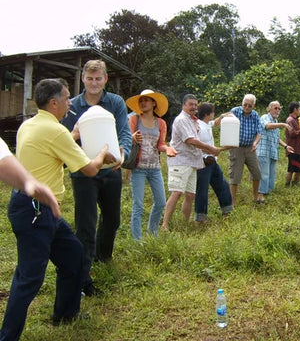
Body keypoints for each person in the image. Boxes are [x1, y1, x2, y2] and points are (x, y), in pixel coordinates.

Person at [0, 79, 111, 340]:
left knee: (72, 256)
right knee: (29, 278)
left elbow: (50, 151)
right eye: (66, 98)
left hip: (38, 208)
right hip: (35, 211)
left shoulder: (29, 125)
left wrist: (74, 138)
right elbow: (90, 168)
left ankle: (65, 314)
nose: (69, 103)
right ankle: (7, 336)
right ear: (54, 103)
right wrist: (104, 152)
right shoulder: (56, 132)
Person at [61, 59, 132, 297]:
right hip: (83, 172)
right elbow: (65, 139)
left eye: (98, 78)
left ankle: (104, 257)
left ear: (105, 79)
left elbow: (124, 131)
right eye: (89, 78)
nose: (93, 83)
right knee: (86, 224)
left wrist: (123, 153)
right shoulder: (70, 106)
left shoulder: (115, 103)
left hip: (111, 169)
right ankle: (84, 275)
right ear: (83, 79)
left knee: (112, 220)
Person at [162, 95, 221, 229]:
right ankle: (164, 225)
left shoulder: (192, 120)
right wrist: (210, 148)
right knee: (177, 192)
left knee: (190, 195)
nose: (194, 107)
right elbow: (190, 140)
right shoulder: (181, 119)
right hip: (180, 161)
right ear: (184, 105)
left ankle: (185, 223)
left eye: (195, 105)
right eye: (191, 104)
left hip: (192, 162)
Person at [125, 89, 177, 240]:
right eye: (141, 100)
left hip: (155, 168)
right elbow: (126, 139)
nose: (143, 103)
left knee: (160, 202)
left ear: (154, 103)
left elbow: (160, 144)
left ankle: (152, 232)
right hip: (138, 168)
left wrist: (167, 148)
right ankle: (137, 240)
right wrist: (132, 137)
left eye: (146, 100)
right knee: (138, 206)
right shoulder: (134, 120)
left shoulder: (160, 123)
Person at [194, 102, 233, 222]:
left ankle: (227, 211)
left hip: (212, 162)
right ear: (207, 114)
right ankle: (200, 218)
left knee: (223, 186)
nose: (213, 114)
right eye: (212, 112)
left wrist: (223, 116)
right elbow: (196, 145)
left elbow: (215, 122)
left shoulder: (207, 123)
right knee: (202, 191)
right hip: (203, 162)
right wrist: (211, 150)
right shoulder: (197, 127)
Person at [228, 94, 263, 204]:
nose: (247, 107)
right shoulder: (235, 112)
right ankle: (232, 201)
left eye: (249, 106)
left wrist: (255, 142)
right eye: (245, 105)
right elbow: (225, 125)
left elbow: (259, 132)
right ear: (242, 103)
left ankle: (255, 197)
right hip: (236, 148)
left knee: (257, 173)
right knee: (235, 175)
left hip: (250, 148)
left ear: (253, 105)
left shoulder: (255, 115)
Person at [256, 101, 293, 203]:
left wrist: (286, 146)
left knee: (272, 174)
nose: (277, 110)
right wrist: (283, 124)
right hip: (263, 151)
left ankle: (267, 193)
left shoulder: (276, 121)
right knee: (264, 174)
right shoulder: (265, 117)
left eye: (279, 109)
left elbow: (276, 138)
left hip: (272, 151)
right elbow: (267, 126)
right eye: (275, 108)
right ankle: (260, 195)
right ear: (269, 109)